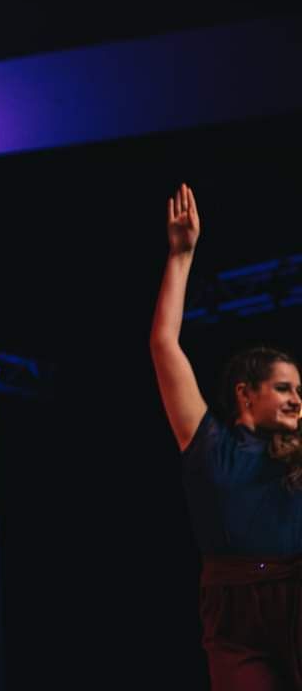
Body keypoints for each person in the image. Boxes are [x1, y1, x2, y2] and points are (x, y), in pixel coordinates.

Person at [150, 182, 302, 690]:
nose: (297, 401)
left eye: (299, 390)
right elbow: (164, 343)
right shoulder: (208, 442)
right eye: (283, 388)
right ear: (245, 393)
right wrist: (181, 254)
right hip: (231, 611)